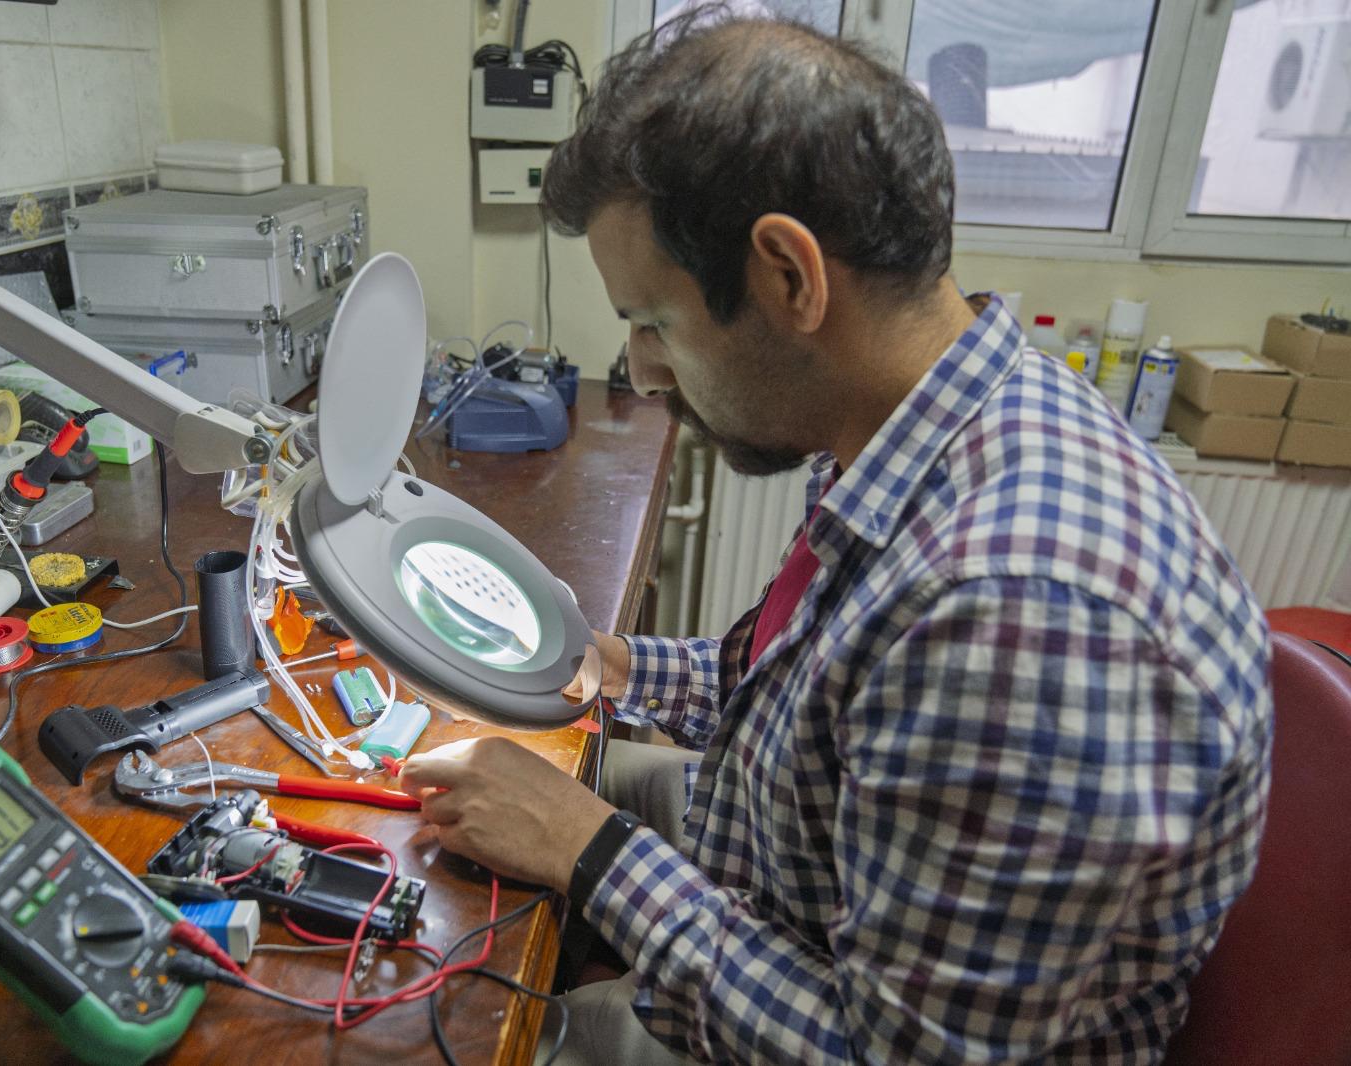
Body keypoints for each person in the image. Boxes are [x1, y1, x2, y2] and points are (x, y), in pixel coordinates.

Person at [396, 11, 1271, 1065]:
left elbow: (888, 1052)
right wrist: (613, 665)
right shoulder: (922, 424)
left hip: (845, 1018)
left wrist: (586, 850)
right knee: (473, 787)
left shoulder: (1011, 613)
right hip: (799, 864)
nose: (643, 371)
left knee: (440, 1034)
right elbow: (803, 678)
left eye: (654, 322)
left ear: (789, 278)